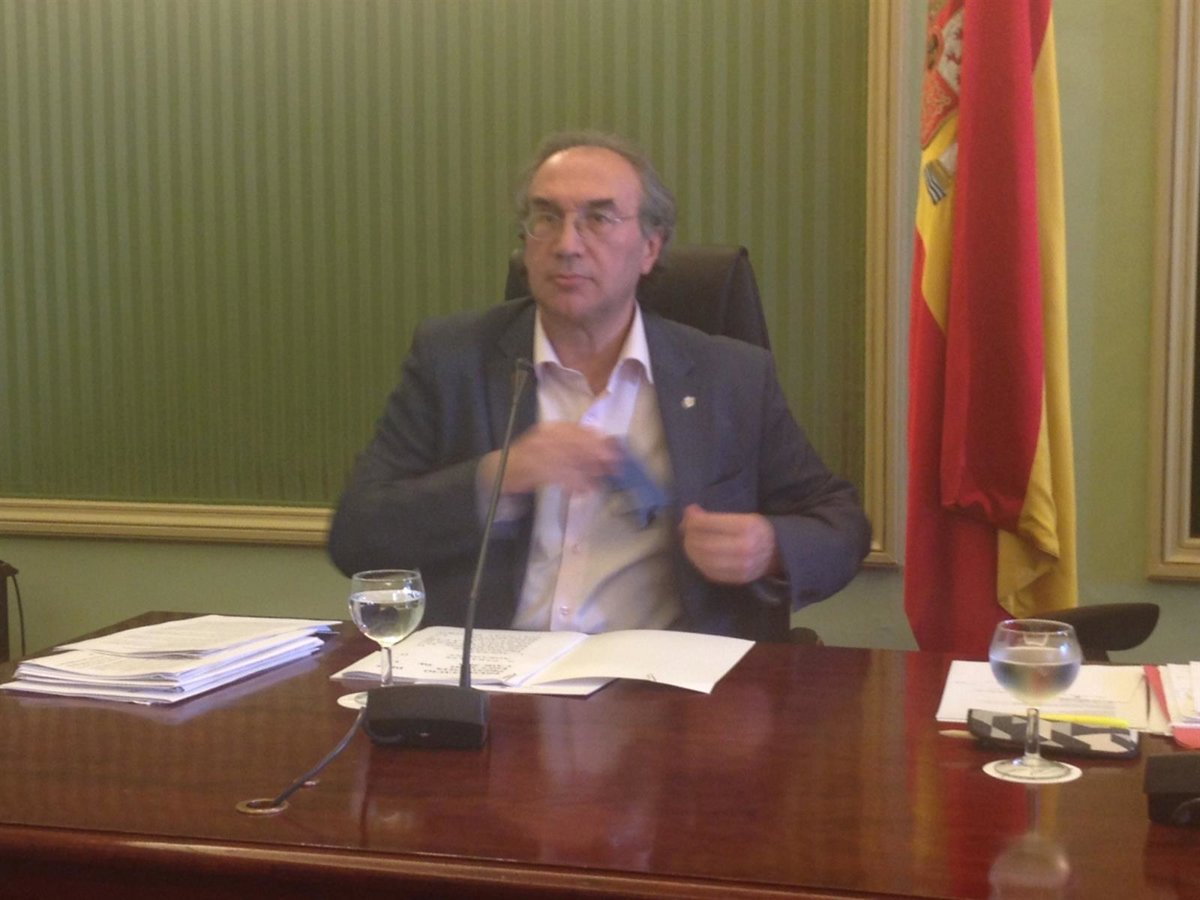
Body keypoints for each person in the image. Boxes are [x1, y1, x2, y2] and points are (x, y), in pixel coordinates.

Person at [328, 131, 871, 641]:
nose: (567, 244)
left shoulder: (730, 377)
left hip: (661, 679)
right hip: (495, 676)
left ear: (650, 248)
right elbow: (356, 536)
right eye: (547, 217)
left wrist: (771, 548)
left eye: (599, 218)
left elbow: (840, 523)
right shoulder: (452, 359)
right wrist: (497, 477)